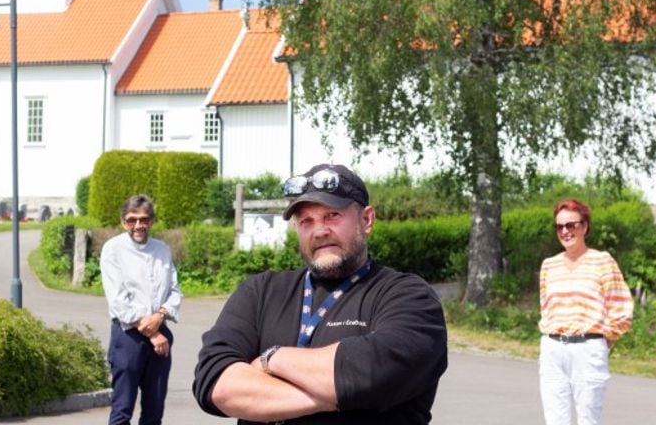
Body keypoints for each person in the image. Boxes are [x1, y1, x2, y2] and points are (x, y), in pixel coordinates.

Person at [193, 164, 448, 424]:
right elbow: (217, 384)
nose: (319, 231)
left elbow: (373, 372)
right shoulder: (260, 291)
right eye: (306, 221)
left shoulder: (409, 297)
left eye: (332, 216)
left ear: (366, 220)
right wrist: (337, 395)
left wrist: (271, 359)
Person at [538, 198, 634, 425]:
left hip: (588, 349)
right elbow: (546, 308)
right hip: (552, 349)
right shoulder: (549, 265)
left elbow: (621, 308)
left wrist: (601, 343)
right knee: (555, 421)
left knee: (589, 420)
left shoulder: (602, 261)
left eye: (571, 225)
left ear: (585, 226)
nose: (565, 231)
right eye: (559, 226)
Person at [100, 194, 182, 425]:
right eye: (132, 219)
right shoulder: (113, 249)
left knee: (154, 410)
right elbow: (118, 299)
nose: (138, 225)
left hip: (160, 333)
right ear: (123, 221)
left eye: (144, 219)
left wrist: (161, 316)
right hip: (128, 337)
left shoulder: (162, 249)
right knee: (122, 410)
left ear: (152, 221)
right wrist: (152, 332)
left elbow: (175, 290)